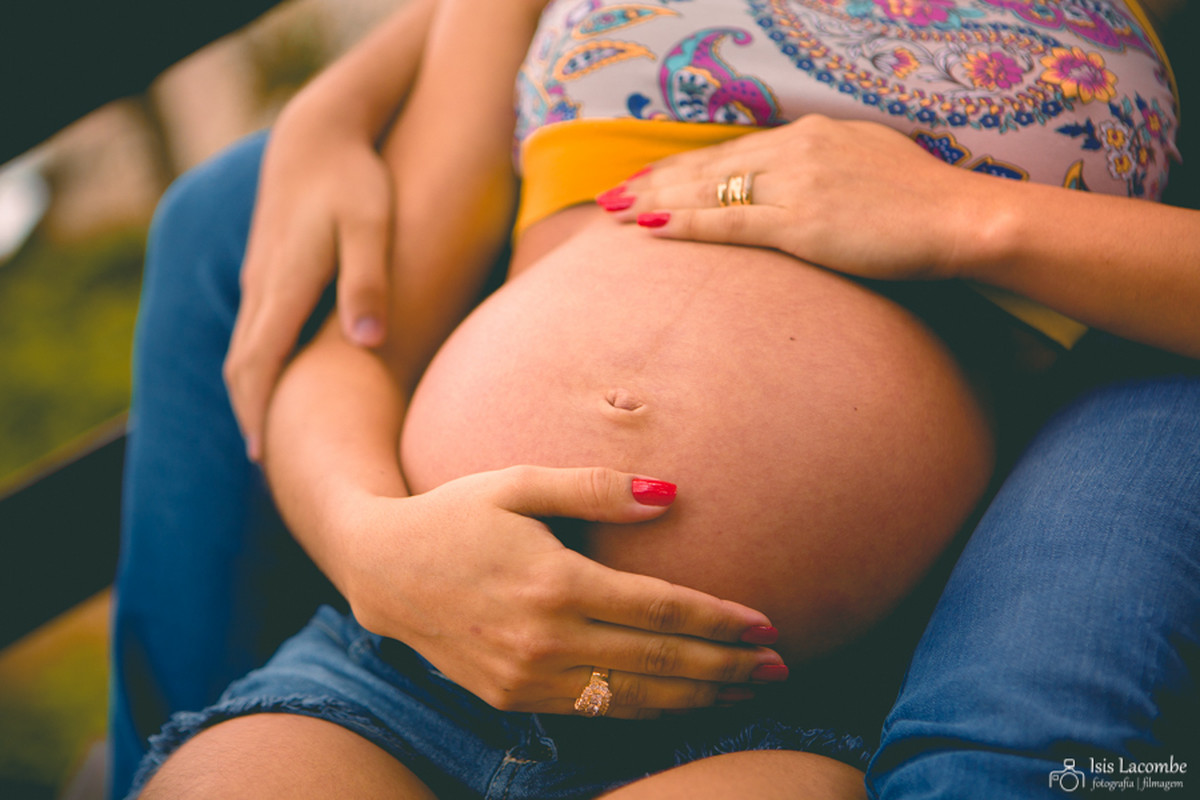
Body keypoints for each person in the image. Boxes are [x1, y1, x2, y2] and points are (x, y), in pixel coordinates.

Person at [108, 0, 1198, 797]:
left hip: (755, 712)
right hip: (405, 657)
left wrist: (963, 218)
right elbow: (358, 340)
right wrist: (368, 545)